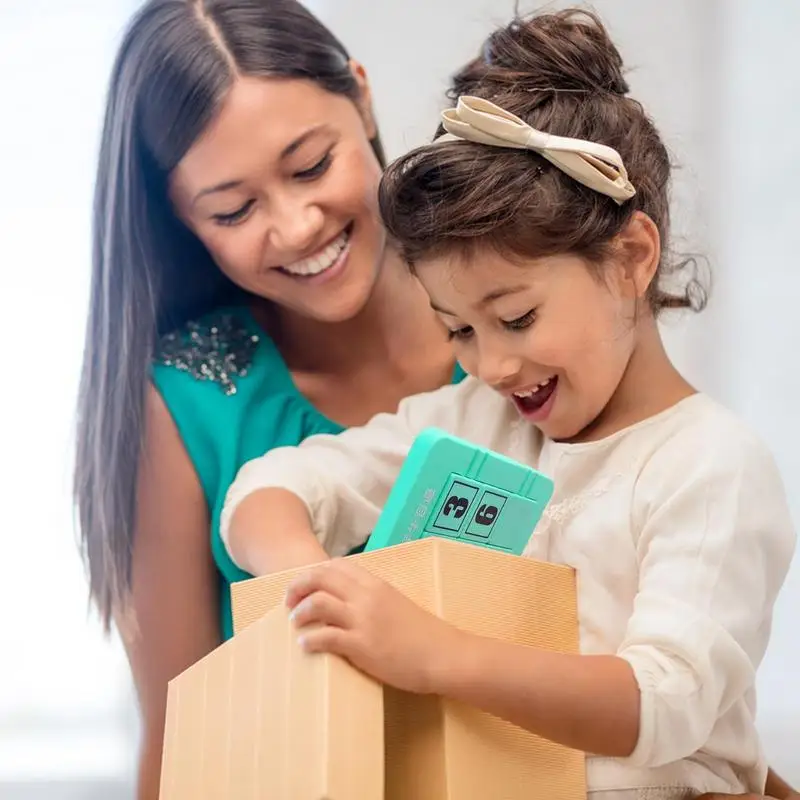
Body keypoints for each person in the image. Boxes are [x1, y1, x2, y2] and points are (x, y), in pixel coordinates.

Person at [219, 10, 797, 800]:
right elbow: (270, 488)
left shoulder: (709, 465)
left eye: (517, 318)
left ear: (630, 257)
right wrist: (319, 585)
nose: (490, 365)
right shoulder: (476, 424)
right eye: (457, 329)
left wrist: (435, 654)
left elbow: (663, 703)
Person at [73, 1, 468, 797]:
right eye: (234, 209)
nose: (295, 227)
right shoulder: (187, 407)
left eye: (310, 166)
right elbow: (181, 747)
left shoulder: (514, 315)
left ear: (361, 98)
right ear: (184, 221)